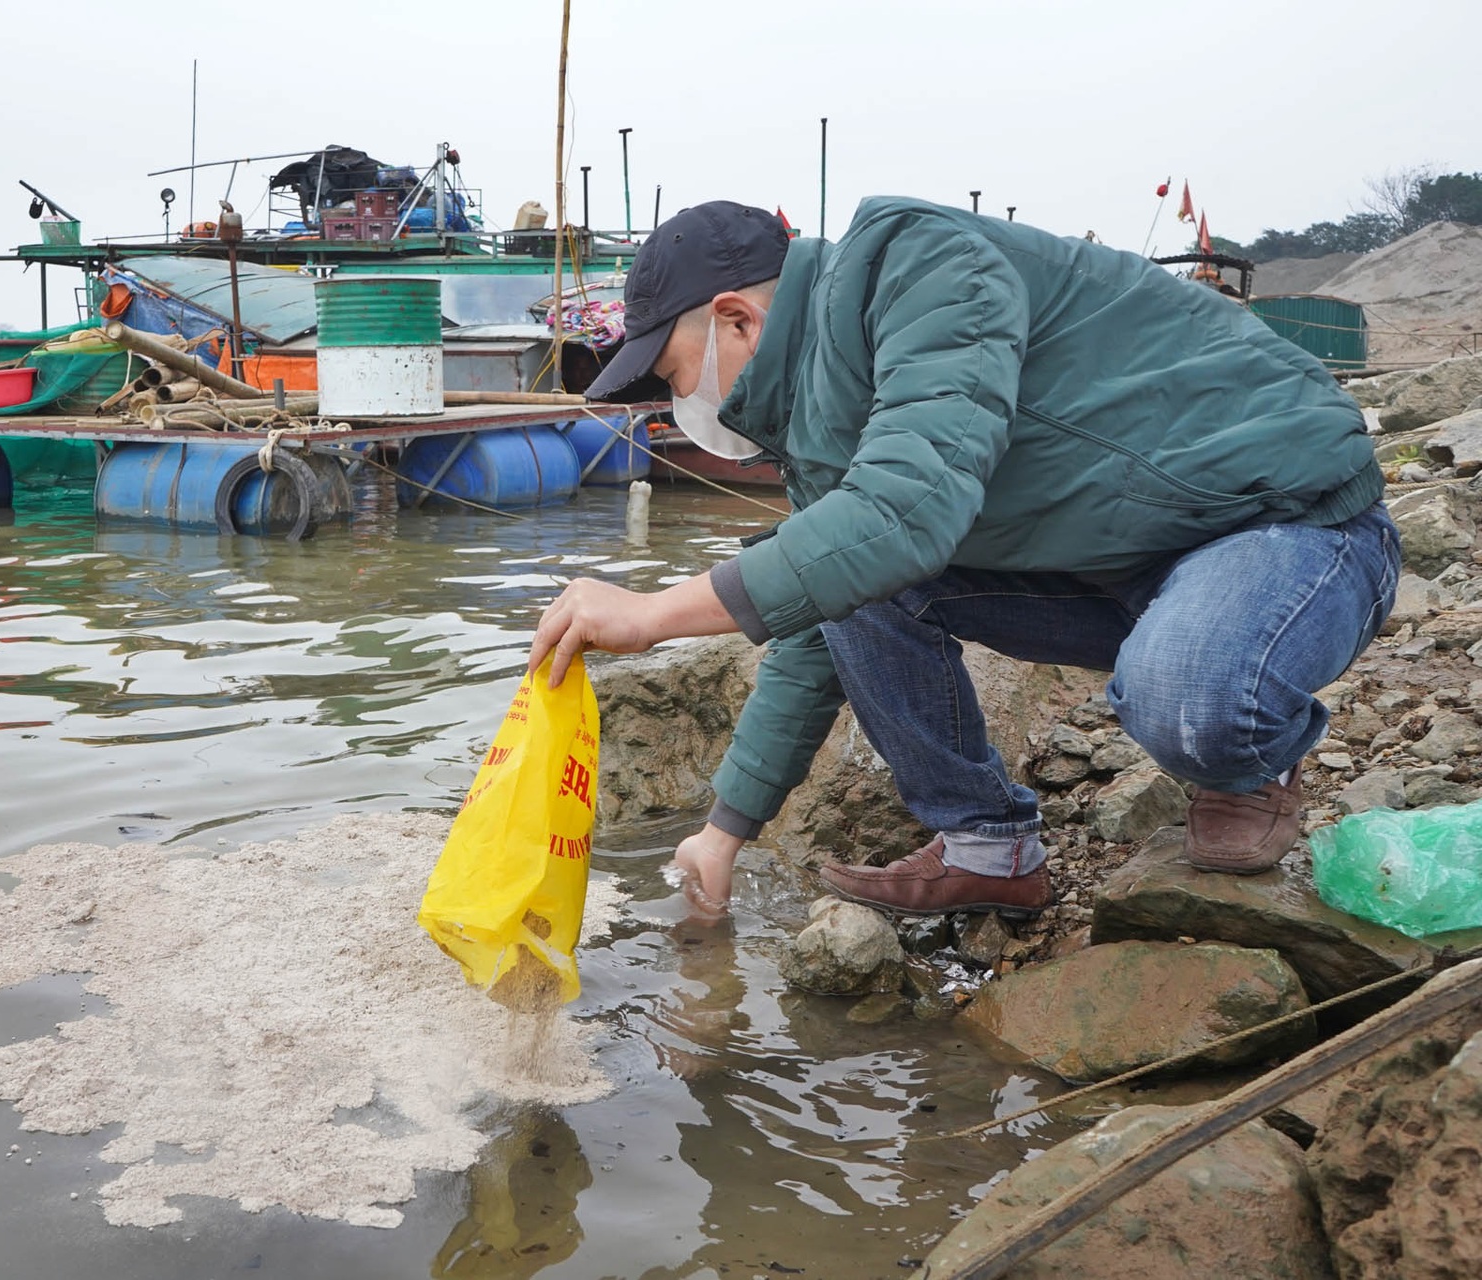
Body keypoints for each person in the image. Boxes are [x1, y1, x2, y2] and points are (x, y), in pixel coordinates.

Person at [527, 198, 1397, 919]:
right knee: (846, 581)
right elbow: (818, 610)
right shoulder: (814, 419)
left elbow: (905, 513)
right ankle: (990, 851)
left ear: (737, 317)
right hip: (1117, 572)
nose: (682, 403)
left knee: (1191, 700)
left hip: (1284, 530)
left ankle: (1250, 764)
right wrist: (723, 830)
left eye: (674, 375)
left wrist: (651, 614)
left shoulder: (918, 264)